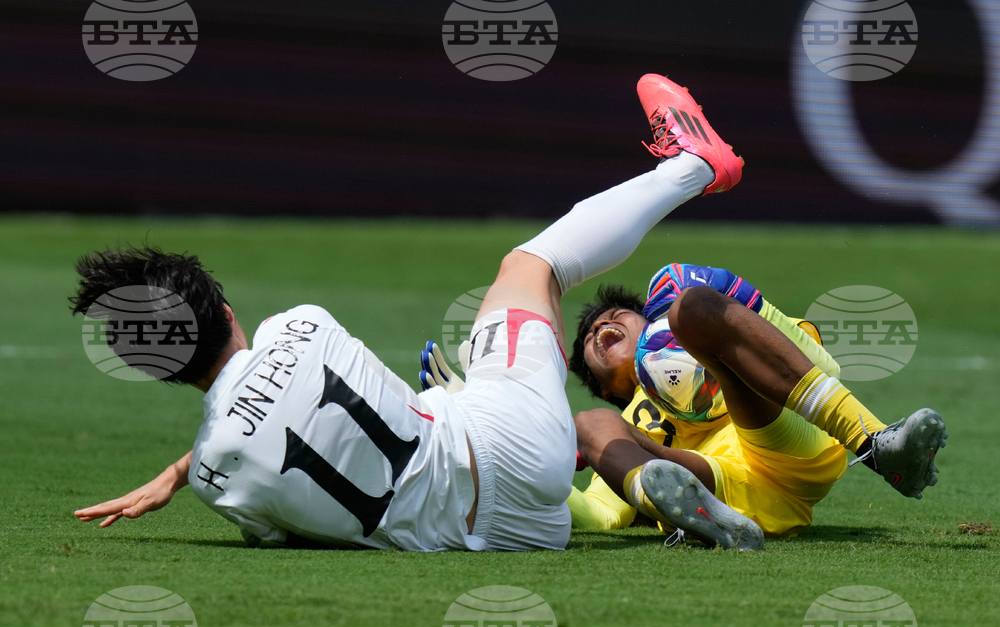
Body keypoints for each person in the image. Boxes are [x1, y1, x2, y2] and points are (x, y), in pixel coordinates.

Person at [71, 72, 745, 551]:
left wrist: (191, 465)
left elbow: (277, 513)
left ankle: (628, 479)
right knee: (532, 268)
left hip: (499, 535)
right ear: (224, 307)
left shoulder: (219, 478)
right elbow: (294, 389)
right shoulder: (296, 325)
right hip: (507, 439)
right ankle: (691, 165)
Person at [565, 263, 948, 549]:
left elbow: (816, 361)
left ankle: (874, 442)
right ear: (602, 386)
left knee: (691, 302)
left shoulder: (715, 332)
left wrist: (701, 322)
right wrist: (531, 469)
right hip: (721, 489)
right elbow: (602, 514)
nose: (599, 327)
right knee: (587, 424)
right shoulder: (626, 417)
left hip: (787, 445)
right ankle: (697, 517)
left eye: (614, 317)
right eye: (589, 338)